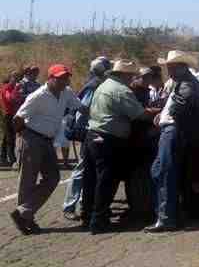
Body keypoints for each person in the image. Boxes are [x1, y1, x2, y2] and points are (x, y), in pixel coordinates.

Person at [9, 65, 86, 235]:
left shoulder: (66, 92)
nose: (64, 81)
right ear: (50, 78)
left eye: (66, 77)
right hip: (32, 138)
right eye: (60, 78)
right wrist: (23, 136)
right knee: (28, 181)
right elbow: (18, 118)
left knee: (53, 177)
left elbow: (80, 107)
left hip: (47, 140)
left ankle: (23, 213)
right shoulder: (38, 96)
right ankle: (26, 218)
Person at [83, 60, 157, 234]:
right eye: (131, 75)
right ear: (124, 75)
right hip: (108, 139)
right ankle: (99, 221)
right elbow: (140, 115)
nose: (133, 78)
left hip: (93, 135)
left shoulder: (104, 85)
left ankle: (89, 216)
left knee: (92, 179)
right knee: (106, 181)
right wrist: (157, 111)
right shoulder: (121, 90)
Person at [145, 51, 199, 233]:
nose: (168, 70)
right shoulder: (183, 83)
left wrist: (168, 113)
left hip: (173, 131)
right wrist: (163, 113)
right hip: (172, 130)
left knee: (164, 173)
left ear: (181, 67)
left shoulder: (186, 84)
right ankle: (169, 214)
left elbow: (180, 106)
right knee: (160, 172)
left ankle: (166, 218)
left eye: (171, 67)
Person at [62, 57, 111, 221]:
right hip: (87, 131)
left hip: (89, 130)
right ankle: (69, 206)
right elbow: (82, 109)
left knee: (87, 169)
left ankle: (84, 203)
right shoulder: (94, 85)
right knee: (82, 168)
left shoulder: (97, 83)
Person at [1, 72, 24, 167]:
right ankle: (12, 158)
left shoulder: (15, 88)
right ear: (10, 78)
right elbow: (10, 98)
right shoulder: (6, 88)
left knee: (7, 137)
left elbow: (18, 99)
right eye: (14, 78)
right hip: (8, 114)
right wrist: (16, 90)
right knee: (10, 137)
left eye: (17, 78)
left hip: (13, 114)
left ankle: (2, 157)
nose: (16, 80)